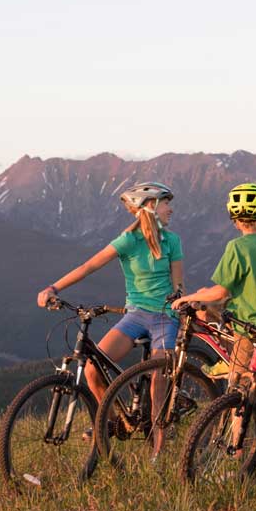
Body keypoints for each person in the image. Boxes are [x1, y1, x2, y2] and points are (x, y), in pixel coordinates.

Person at [37, 182, 183, 456]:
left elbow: (178, 285)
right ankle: (117, 419)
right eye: (165, 203)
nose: (170, 209)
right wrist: (53, 288)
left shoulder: (172, 241)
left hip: (165, 316)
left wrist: (181, 301)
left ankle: (158, 454)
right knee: (92, 368)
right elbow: (88, 266)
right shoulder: (128, 240)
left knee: (158, 379)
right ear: (149, 206)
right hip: (136, 315)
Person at [171, 182, 256, 382]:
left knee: (237, 386)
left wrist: (190, 296)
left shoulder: (237, 246)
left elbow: (221, 292)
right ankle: (229, 356)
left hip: (249, 323)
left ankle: (232, 364)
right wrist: (204, 294)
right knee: (205, 306)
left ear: (235, 220)